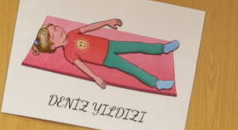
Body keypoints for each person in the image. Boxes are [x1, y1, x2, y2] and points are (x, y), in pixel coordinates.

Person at [31, 17, 180, 91]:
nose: (58, 30)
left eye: (55, 27)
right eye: (54, 33)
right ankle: (156, 83)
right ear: (53, 45)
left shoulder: (72, 33)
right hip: (108, 59)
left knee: (138, 46)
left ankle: (163, 48)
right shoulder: (69, 54)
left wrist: (107, 22)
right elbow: (81, 66)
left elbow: (89, 28)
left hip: (111, 44)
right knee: (133, 69)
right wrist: (95, 77)